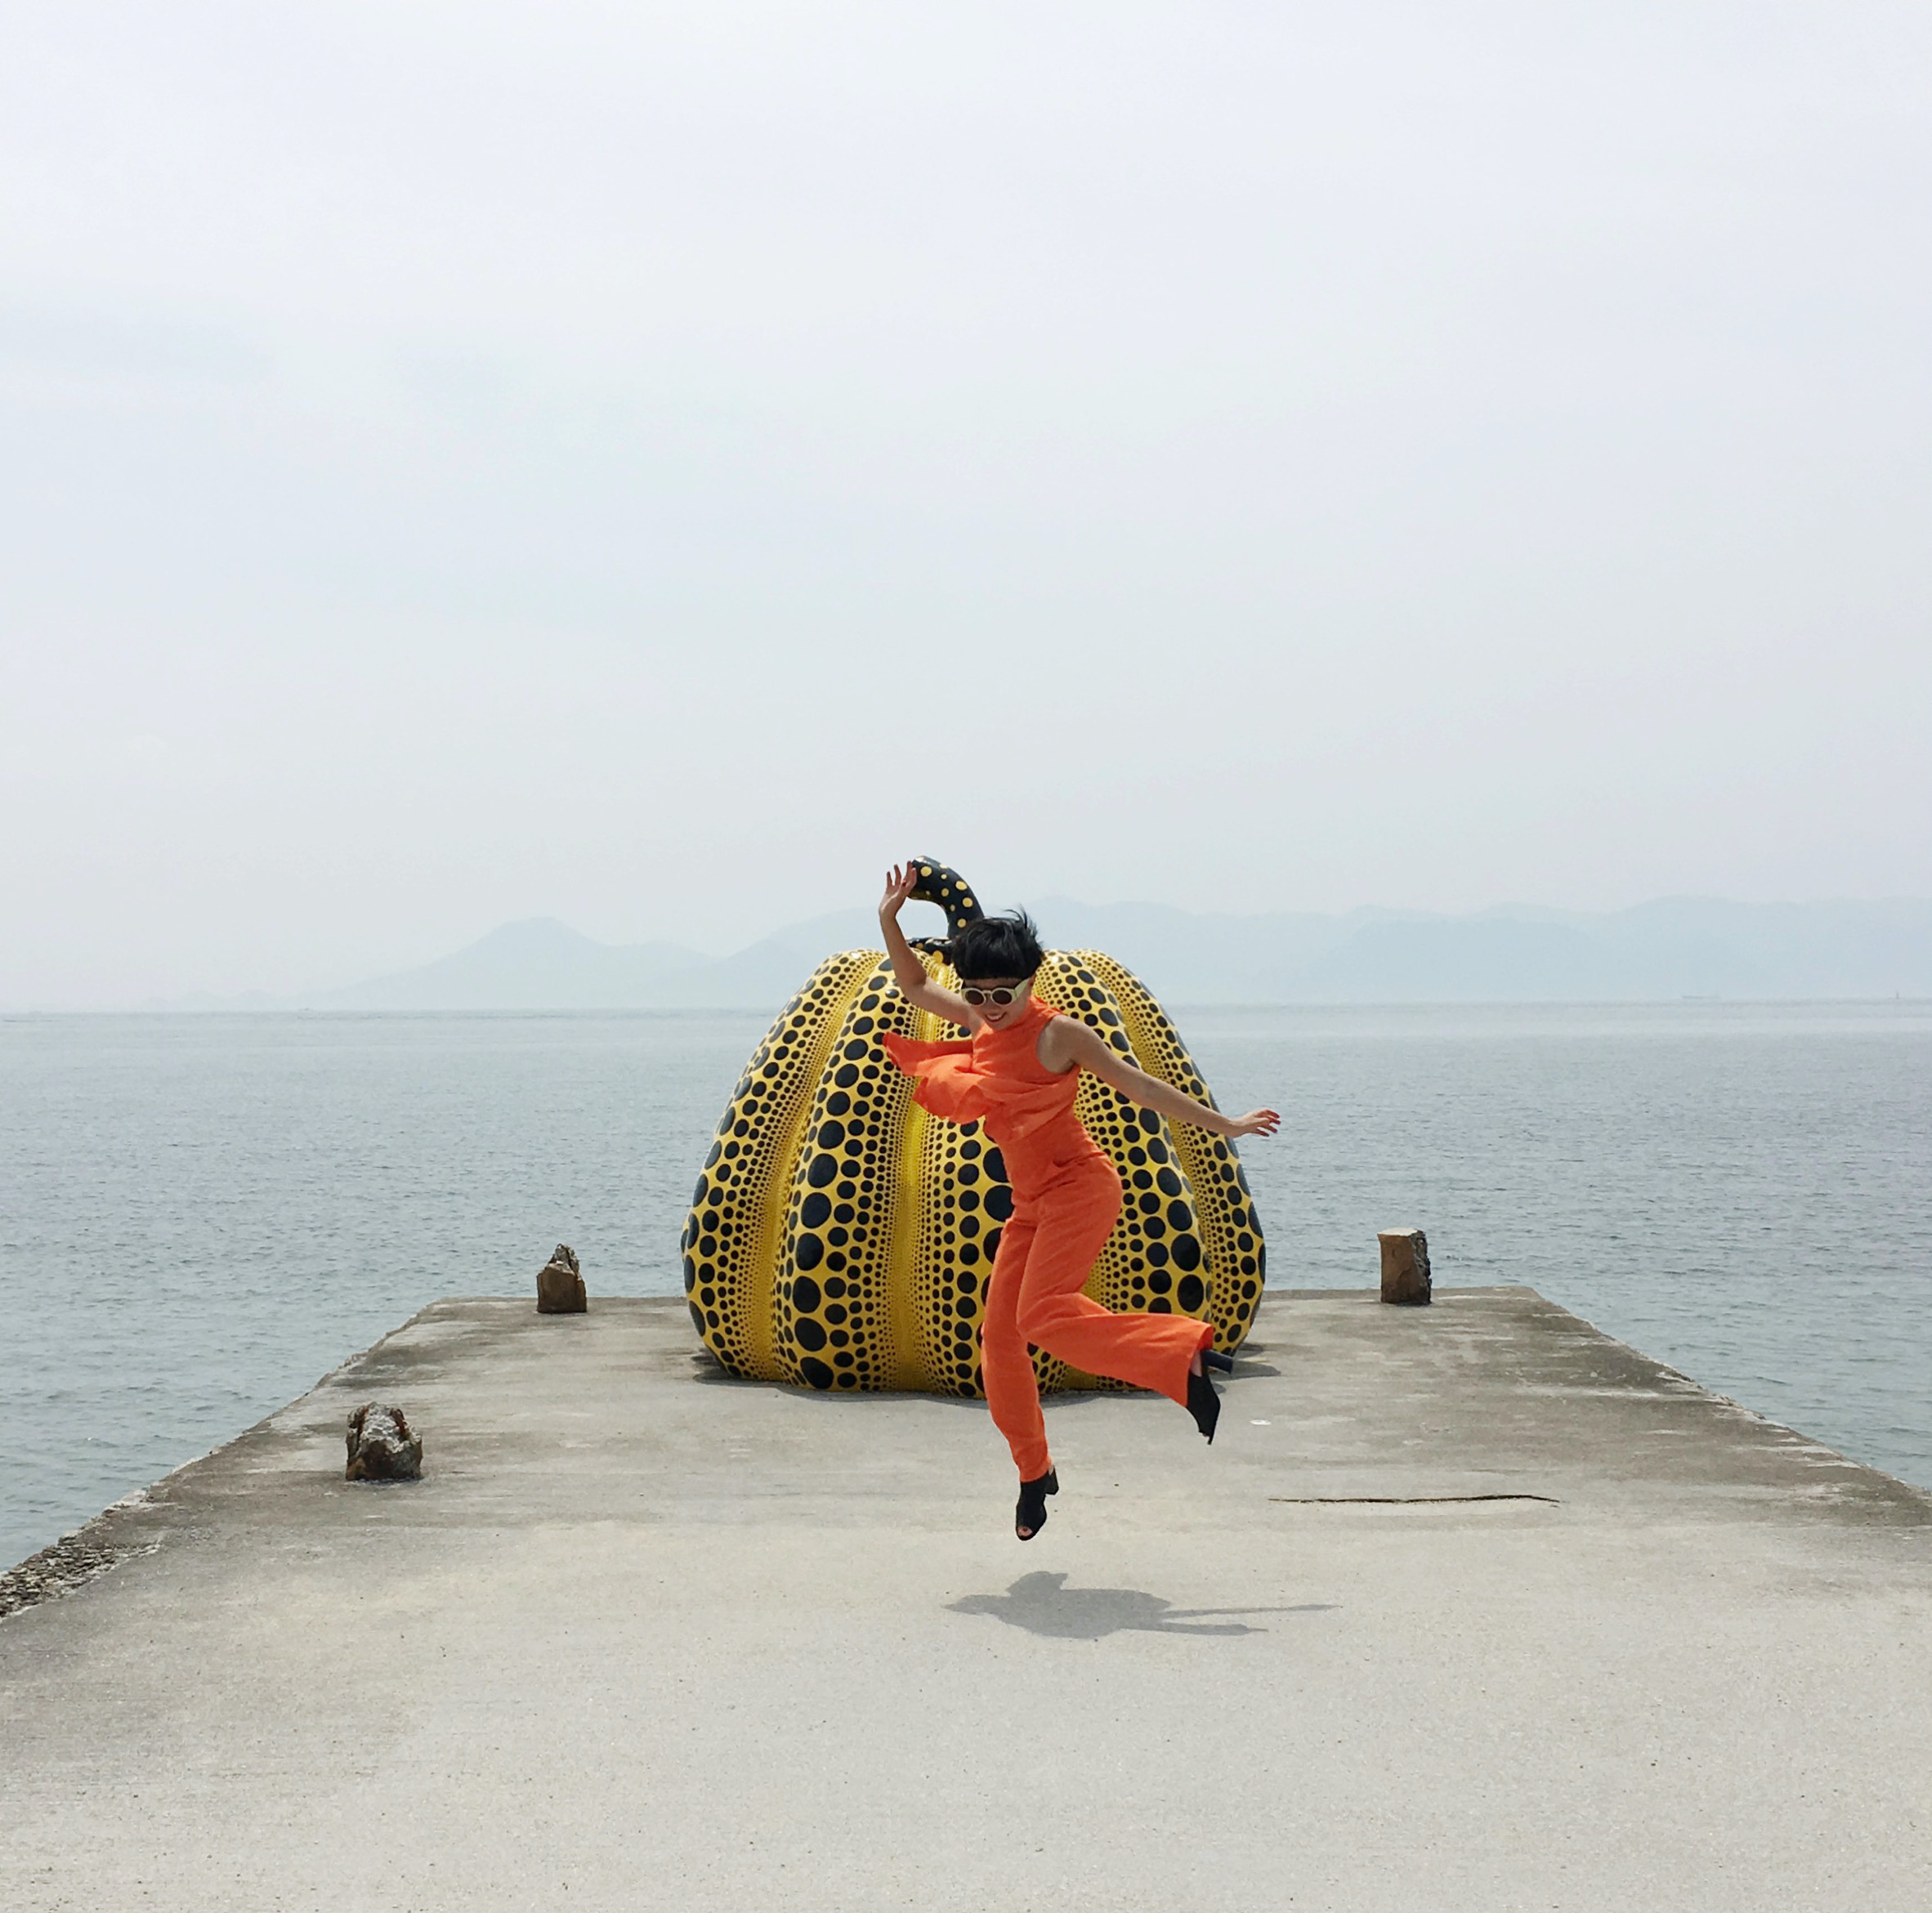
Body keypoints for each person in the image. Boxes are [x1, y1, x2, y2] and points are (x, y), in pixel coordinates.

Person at [876, 863, 1280, 1540]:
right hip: (1031, 1202)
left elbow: (1143, 1089)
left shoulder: (1059, 1034)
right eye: (978, 992)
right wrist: (889, 920)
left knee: (1042, 1318)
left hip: (1080, 1188)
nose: (991, 1004)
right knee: (999, 1345)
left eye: (1004, 992)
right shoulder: (980, 1018)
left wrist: (1229, 1124)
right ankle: (1035, 1472)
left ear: (1031, 980)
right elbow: (915, 981)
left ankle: (1182, 1350)